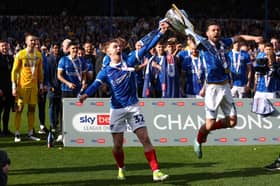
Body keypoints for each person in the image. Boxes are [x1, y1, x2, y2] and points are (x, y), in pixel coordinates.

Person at [79, 20, 169, 181]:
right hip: (117, 109)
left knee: (145, 138)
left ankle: (156, 171)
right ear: (107, 52)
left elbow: (147, 48)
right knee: (118, 145)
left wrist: (161, 33)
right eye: (114, 47)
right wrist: (86, 94)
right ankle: (121, 167)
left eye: (119, 46)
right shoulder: (105, 71)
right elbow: (95, 84)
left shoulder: (129, 60)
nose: (118, 48)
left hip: (133, 106)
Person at [192, 21, 262, 159]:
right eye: (213, 30)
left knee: (232, 122)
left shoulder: (224, 42)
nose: (216, 32)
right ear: (207, 33)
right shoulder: (204, 45)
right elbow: (192, 43)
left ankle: (206, 130)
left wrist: (254, 38)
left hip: (225, 87)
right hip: (212, 88)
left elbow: (239, 37)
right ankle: (199, 139)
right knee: (209, 124)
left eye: (218, 30)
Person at [11, 33, 44, 143]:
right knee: (19, 109)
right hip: (22, 87)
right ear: (26, 42)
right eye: (31, 40)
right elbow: (14, 71)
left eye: (35, 41)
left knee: (32, 110)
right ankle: (17, 133)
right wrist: (14, 86)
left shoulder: (39, 55)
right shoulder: (20, 54)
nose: (33, 42)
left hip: (33, 87)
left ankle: (30, 133)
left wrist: (41, 85)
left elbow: (40, 72)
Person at [57, 41, 87, 142]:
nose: (75, 50)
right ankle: (61, 133)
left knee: (78, 112)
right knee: (64, 112)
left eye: (76, 48)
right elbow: (59, 75)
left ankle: (76, 132)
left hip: (78, 90)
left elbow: (84, 75)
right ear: (69, 49)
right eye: (73, 48)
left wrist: (83, 83)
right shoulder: (63, 60)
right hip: (66, 90)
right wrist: (68, 83)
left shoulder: (81, 60)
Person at [0, 40, 14, 136]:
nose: (4, 48)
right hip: (0, 89)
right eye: (2, 46)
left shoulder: (10, 58)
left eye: (6, 46)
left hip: (9, 89)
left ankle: (5, 129)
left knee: (7, 110)